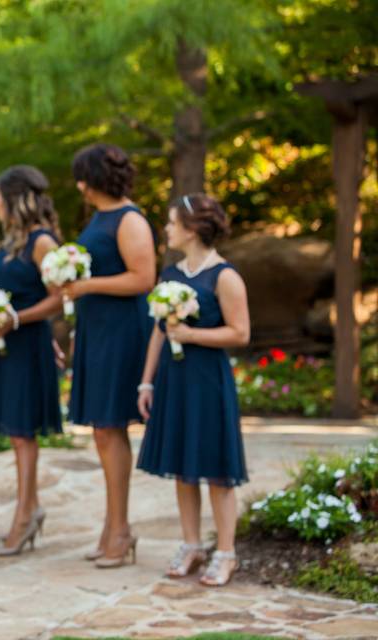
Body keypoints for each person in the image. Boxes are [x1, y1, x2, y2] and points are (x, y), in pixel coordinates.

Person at [136, 194, 250, 587]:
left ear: (191, 229)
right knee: (183, 468)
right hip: (173, 380)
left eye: (171, 223)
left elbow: (240, 333)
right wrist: (146, 381)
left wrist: (191, 334)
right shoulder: (169, 276)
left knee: (217, 471)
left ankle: (226, 553)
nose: (166, 229)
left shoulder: (225, 276)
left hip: (208, 380)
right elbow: (157, 331)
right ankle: (192, 545)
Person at [65, 143, 156, 568]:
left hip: (121, 332)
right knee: (101, 430)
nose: (78, 185)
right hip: (96, 330)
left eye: (81, 176)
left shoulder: (129, 218)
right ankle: (111, 526)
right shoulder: (99, 218)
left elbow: (143, 278)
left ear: (94, 179)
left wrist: (86, 287)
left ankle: (120, 529)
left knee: (110, 426)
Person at [0, 165, 64, 556]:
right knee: (16, 434)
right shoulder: (13, 240)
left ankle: (25, 513)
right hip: (5, 347)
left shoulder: (42, 243)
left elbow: (59, 298)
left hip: (29, 344)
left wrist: (15, 318)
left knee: (24, 433)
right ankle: (30, 509)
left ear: (13, 198)